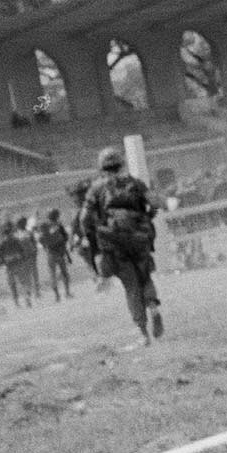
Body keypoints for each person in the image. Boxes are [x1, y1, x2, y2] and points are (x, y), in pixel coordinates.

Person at [80, 146, 164, 344]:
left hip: (114, 244)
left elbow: (85, 218)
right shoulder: (135, 184)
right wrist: (147, 217)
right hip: (139, 240)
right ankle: (153, 307)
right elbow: (155, 203)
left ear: (102, 166)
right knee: (145, 277)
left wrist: (93, 235)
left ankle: (143, 332)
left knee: (131, 286)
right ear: (121, 163)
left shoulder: (97, 188)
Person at [0, 218, 36, 307]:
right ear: (11, 232)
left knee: (12, 285)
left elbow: (0, 257)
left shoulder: (1, 243)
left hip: (9, 266)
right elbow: (22, 252)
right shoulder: (16, 240)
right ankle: (26, 298)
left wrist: (0, 262)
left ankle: (16, 302)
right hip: (19, 264)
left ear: (3, 233)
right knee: (23, 282)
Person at [37, 208, 73, 299]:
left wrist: (46, 247)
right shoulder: (58, 226)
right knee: (64, 273)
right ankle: (67, 293)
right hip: (60, 252)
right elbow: (63, 240)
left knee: (52, 274)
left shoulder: (44, 226)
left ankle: (57, 295)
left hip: (50, 253)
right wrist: (68, 256)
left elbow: (40, 239)